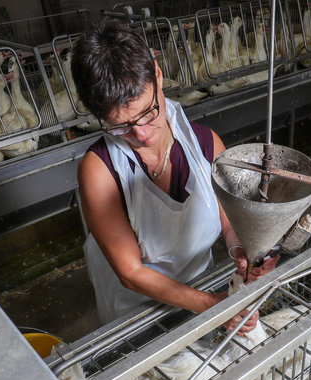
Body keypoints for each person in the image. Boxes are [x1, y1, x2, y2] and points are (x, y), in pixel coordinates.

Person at [71, 19, 275, 332]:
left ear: (158, 74)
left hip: (204, 287)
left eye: (148, 112)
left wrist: (241, 251)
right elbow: (130, 272)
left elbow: (226, 220)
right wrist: (210, 306)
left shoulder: (206, 145)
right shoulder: (100, 170)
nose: (141, 134)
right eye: (120, 125)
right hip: (135, 315)